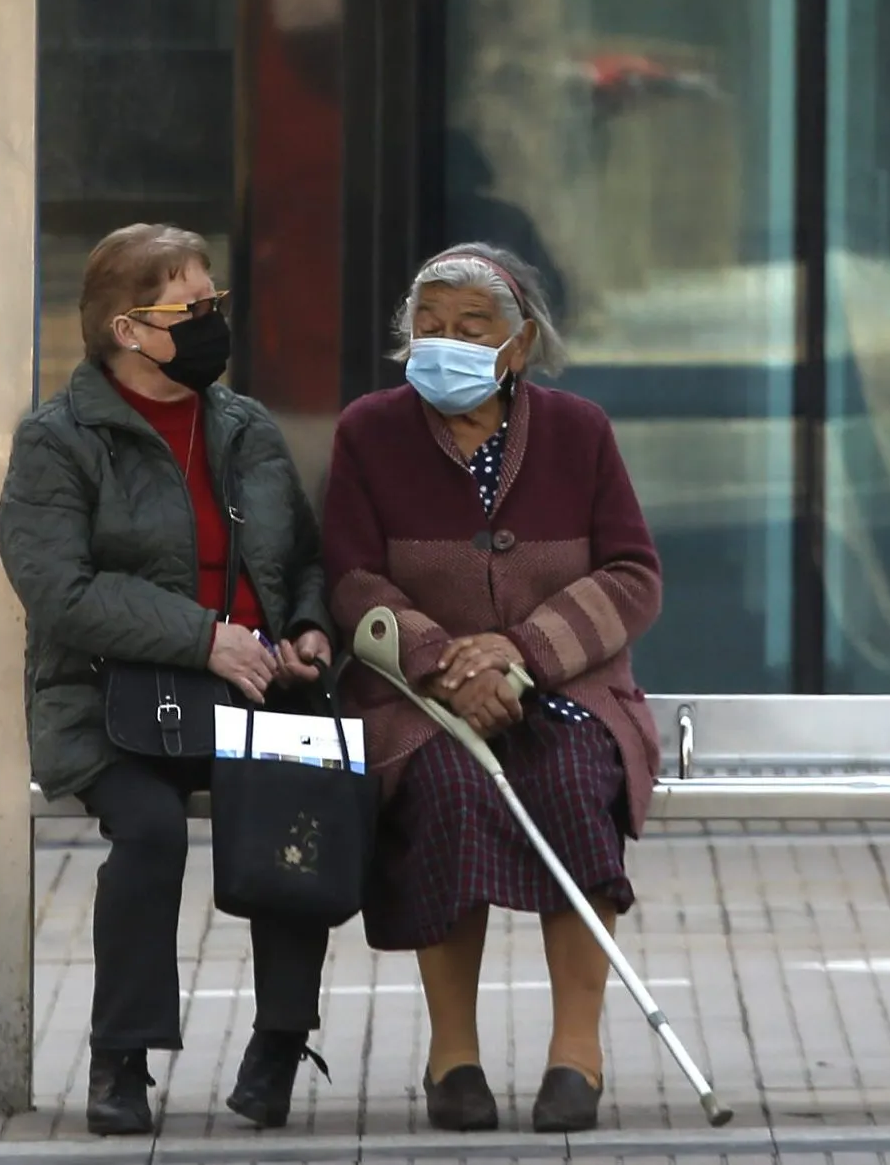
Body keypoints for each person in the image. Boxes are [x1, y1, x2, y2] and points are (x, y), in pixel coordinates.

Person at [0, 223, 338, 1137]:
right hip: (108, 698)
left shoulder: (244, 426)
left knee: (298, 811)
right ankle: (122, 1057)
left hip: (255, 688)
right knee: (150, 831)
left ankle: (277, 1044)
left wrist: (305, 625)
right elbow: (60, 591)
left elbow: (301, 555)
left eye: (214, 303)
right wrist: (204, 638)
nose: (212, 322)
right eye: (192, 308)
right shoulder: (58, 441)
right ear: (128, 329)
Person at [320, 243, 664, 1134]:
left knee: (571, 786)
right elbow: (351, 579)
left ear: (516, 345)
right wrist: (442, 661)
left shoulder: (579, 430)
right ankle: (454, 1058)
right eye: (428, 325)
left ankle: (576, 1056)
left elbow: (632, 573)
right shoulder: (369, 430)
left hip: (560, 687)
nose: (445, 342)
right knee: (443, 792)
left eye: (471, 329)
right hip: (421, 696)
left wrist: (518, 654)